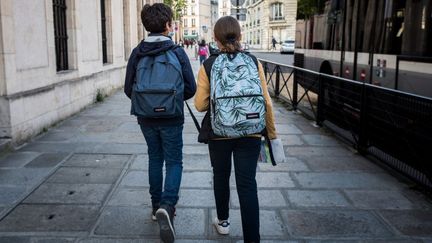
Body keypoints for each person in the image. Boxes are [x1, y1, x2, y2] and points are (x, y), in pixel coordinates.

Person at [194, 16, 277, 243]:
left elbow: (200, 105)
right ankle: (253, 239)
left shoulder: (208, 65)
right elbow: (266, 102)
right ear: (240, 36)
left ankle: (223, 222)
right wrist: (272, 133)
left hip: (219, 132)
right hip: (250, 131)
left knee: (221, 176)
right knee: (247, 184)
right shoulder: (253, 61)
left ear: (215, 39)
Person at [123, 3, 196, 243]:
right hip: (172, 117)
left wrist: (147, 102)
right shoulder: (177, 52)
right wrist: (170, 99)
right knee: (174, 161)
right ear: (167, 25)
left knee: (155, 158)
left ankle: (156, 207)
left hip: (145, 117)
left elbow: (127, 89)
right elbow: (191, 88)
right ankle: (168, 205)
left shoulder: (137, 52)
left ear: (146, 26)